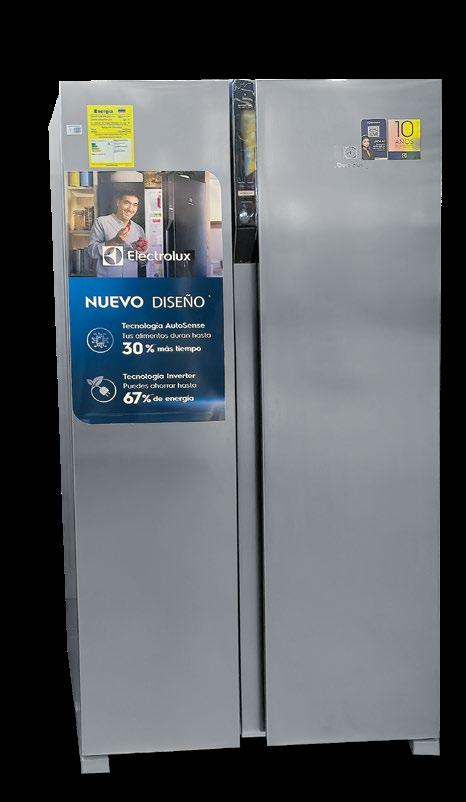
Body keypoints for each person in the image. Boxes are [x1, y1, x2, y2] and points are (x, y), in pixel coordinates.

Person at [88, 192, 152, 277]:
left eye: (135, 205)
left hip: (130, 282)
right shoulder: (102, 222)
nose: (130, 209)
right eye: (127, 203)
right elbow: (92, 252)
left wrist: (141, 254)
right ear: (118, 202)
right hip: (108, 281)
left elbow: (143, 263)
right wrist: (115, 241)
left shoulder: (138, 229)